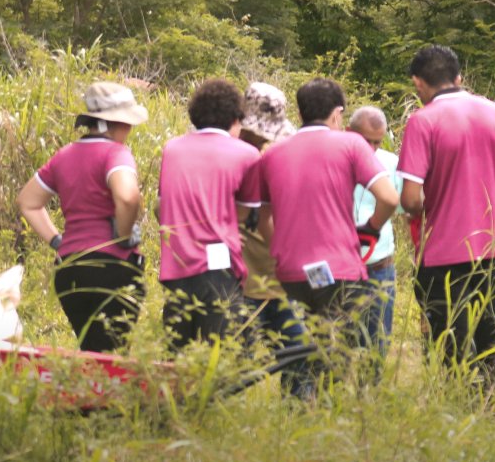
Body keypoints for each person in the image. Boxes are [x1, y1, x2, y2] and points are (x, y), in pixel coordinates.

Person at [258, 78, 399, 389]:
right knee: (338, 349)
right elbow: (390, 198)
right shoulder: (351, 145)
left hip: (291, 273)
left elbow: (263, 218)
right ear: (338, 113)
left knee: (305, 344)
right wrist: (371, 227)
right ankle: (328, 405)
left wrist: (280, 250)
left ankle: (299, 404)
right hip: (338, 271)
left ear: (300, 112)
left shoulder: (273, 153)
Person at [398, 45, 495, 390]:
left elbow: (411, 199)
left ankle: (456, 403)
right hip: (488, 250)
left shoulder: (422, 121)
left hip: (440, 255)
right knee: (488, 338)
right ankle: (492, 400)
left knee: (450, 345)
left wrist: (441, 202)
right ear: (459, 77)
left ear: (418, 83)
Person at [18, 82, 146, 353]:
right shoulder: (116, 153)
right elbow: (127, 197)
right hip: (112, 268)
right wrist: (123, 235)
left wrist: (57, 241)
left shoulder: (63, 156)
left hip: (70, 270)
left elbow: (28, 202)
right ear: (116, 123)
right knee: (112, 355)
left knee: (90, 350)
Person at [158, 79, 261, 347]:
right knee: (230, 353)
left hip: (176, 265)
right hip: (219, 267)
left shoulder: (172, 149)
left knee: (176, 354)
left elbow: (162, 205)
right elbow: (246, 213)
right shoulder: (248, 154)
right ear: (235, 119)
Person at [237, 83, 303, 349]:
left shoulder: (277, 160)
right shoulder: (230, 159)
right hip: (243, 282)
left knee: (298, 358)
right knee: (239, 360)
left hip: (279, 280)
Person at [349, 106, 402, 368]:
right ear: (349, 132)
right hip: (342, 264)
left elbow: (402, 206)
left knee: (377, 341)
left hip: (379, 262)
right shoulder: (336, 160)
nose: (370, 148)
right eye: (365, 141)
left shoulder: (391, 163)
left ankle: (371, 388)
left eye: (377, 142)